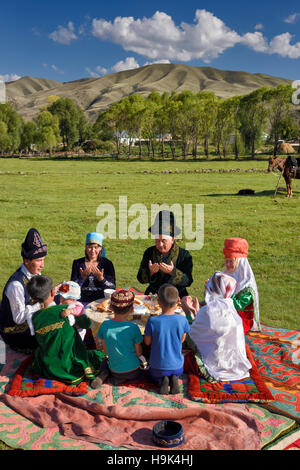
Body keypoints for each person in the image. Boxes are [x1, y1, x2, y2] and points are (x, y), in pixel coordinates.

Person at [26, 275, 104, 385]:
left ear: (32, 297)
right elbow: (87, 324)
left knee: (40, 350)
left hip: (49, 365)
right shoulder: (65, 310)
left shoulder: (34, 317)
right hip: (69, 363)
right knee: (96, 356)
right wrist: (76, 311)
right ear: (53, 292)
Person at [183, 272, 252, 382]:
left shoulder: (208, 311)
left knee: (180, 359)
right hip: (233, 363)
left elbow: (192, 334)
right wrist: (197, 313)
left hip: (214, 362)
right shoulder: (231, 308)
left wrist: (187, 311)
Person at [0, 228, 48, 353]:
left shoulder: (34, 274)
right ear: (26, 261)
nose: (42, 265)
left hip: (30, 321)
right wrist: (40, 304)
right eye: (38, 260)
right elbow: (19, 318)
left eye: (43, 259)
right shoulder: (16, 285)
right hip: (14, 332)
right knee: (51, 335)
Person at [91, 289, 144, 388]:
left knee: (104, 362)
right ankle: (121, 378)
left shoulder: (104, 325)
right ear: (132, 309)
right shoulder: (133, 328)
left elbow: (106, 351)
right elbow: (139, 353)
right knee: (143, 361)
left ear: (110, 307)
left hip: (114, 370)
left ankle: (103, 375)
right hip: (133, 371)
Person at [144, 284, 190, 395]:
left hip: (156, 368)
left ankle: (162, 380)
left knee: (148, 373)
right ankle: (174, 378)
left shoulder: (152, 321)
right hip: (178, 367)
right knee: (175, 369)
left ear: (158, 302)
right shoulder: (182, 320)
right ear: (178, 300)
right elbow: (182, 340)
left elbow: (147, 342)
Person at [137, 211, 193, 298]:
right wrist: (150, 272)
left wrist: (172, 272)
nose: (160, 244)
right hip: (153, 296)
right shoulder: (149, 252)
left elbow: (188, 281)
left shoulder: (184, 255)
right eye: (157, 240)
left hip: (177, 297)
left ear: (172, 239)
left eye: (164, 241)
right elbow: (140, 279)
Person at [223, 238, 260, 333]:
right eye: (226, 261)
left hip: (241, 320)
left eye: (231, 261)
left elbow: (239, 306)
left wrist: (227, 293)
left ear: (240, 262)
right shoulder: (224, 276)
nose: (227, 264)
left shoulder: (247, 287)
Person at [71, 232, 116, 304]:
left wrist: (101, 279)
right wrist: (82, 278)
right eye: (90, 247)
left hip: (101, 302)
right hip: (81, 301)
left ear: (100, 248)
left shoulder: (107, 264)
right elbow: (72, 288)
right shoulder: (77, 263)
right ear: (85, 247)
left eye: (96, 247)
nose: (92, 251)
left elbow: (112, 288)